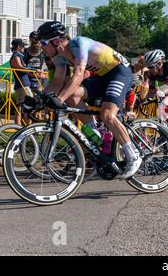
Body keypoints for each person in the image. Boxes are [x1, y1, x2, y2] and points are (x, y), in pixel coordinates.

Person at [36, 21, 142, 180]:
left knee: (107, 114)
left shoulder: (78, 44)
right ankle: (95, 134)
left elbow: (78, 74)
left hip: (119, 72)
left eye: (43, 43)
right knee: (73, 96)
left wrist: (59, 99)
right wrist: (40, 100)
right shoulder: (59, 57)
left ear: (56, 41)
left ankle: (133, 156)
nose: (42, 48)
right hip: (102, 77)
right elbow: (57, 82)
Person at [10, 39, 33, 126]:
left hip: (21, 84)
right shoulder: (16, 56)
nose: (24, 48)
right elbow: (19, 67)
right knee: (31, 105)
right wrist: (32, 70)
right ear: (19, 47)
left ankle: (18, 126)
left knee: (19, 106)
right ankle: (28, 126)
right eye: (23, 46)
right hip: (22, 84)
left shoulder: (19, 56)